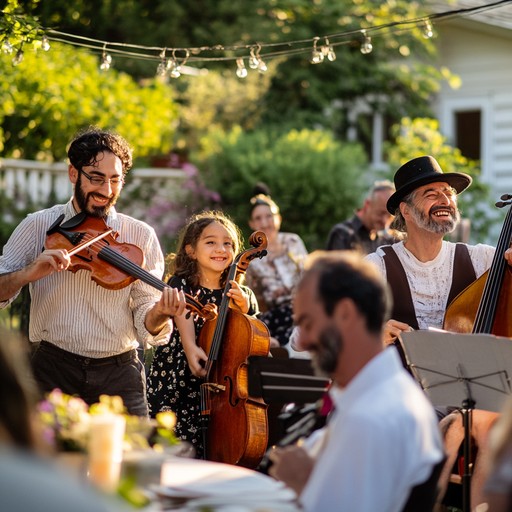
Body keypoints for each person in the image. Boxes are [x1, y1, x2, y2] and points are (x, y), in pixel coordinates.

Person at [0, 127, 187, 417]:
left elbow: (145, 314)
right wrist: (27, 273)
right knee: (50, 463)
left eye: (115, 180)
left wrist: (160, 314)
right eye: (96, 178)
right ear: (73, 173)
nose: (106, 191)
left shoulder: (139, 236)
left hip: (119, 374)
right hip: (53, 370)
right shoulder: (39, 226)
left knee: (131, 460)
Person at [365, 155, 512, 507]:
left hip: (472, 395)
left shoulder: (480, 259)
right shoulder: (377, 266)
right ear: (405, 208)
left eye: (448, 193)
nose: (446, 200)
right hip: (403, 396)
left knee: (479, 418)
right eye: (432, 193)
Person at [268, 251, 444, 512]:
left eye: (307, 323)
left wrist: (300, 485)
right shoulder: (384, 393)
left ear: (345, 313)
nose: (302, 342)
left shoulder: (369, 418)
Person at [146, 210, 260, 457]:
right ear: (191, 251)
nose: (221, 249)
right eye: (211, 242)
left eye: (227, 244)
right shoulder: (181, 284)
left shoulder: (239, 292)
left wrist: (245, 308)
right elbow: (184, 310)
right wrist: (189, 346)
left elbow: (253, 332)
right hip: (178, 379)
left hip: (222, 387)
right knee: (174, 448)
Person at [245, 187, 308, 347]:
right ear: (252, 224)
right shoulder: (251, 260)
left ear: (278, 218)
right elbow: (256, 303)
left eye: (269, 216)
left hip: (305, 308)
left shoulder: (293, 241)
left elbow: (310, 277)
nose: (265, 223)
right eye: (258, 218)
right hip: (277, 318)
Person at [326, 179, 396, 253]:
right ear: (367, 204)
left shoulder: (387, 239)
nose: (384, 221)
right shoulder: (342, 234)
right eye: (380, 213)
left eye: (390, 216)